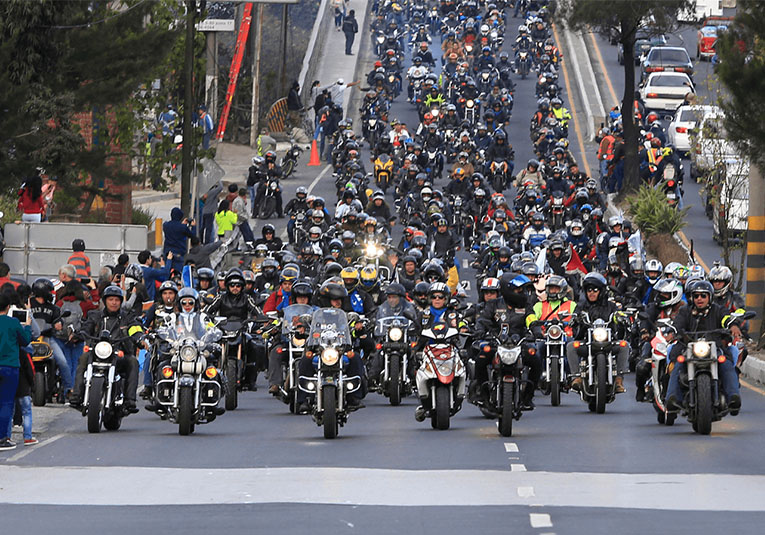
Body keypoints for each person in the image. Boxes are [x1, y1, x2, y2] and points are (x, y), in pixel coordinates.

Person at [665, 279, 742, 415]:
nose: (699, 299)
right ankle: (673, 398)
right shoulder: (685, 311)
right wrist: (673, 332)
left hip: (714, 348)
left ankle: (733, 397)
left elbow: (726, 318)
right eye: (696, 296)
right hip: (688, 348)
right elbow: (678, 324)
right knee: (678, 364)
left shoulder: (718, 310)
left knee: (726, 364)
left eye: (703, 295)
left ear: (710, 297)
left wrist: (733, 325)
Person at [70, 286, 143, 414]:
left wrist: (139, 338)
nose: (114, 302)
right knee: (83, 358)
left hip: (119, 353)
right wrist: (79, 334)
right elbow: (87, 327)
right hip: (97, 353)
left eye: (116, 300)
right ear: (105, 301)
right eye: (110, 299)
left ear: (120, 302)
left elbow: (134, 328)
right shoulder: (95, 315)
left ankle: (130, 400)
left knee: (133, 361)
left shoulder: (127, 317)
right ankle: (76, 395)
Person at [567, 273, 628, 394]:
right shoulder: (582, 306)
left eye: (595, 290)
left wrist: (621, 317)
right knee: (570, 346)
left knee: (624, 346)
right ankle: (576, 378)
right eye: (589, 290)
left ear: (602, 291)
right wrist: (575, 319)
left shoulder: (611, 306)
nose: (592, 293)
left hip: (608, 342)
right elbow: (573, 317)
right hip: (587, 341)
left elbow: (618, 314)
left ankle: (619, 380)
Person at [0, 292, 34, 451]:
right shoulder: (13, 323)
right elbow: (25, 341)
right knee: (6, 403)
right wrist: (26, 326)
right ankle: (2, 438)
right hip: (10, 366)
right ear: (8, 307)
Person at [8, 344, 37, 446]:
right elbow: (30, 370)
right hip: (23, 387)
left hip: (10, 387)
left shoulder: (7, 353)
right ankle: (28, 437)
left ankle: (7, 437)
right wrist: (32, 385)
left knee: (9, 413)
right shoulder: (23, 353)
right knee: (27, 412)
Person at [163, 207, 195, 273]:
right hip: (178, 254)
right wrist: (193, 226)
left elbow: (173, 227)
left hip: (167, 253)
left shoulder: (165, 225)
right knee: (179, 273)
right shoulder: (183, 228)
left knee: (167, 273)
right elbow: (192, 235)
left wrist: (181, 224)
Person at [200, 180, 223, 244]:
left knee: (202, 228)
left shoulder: (204, 192)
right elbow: (221, 187)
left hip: (204, 211)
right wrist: (218, 179)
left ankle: (200, 241)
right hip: (210, 212)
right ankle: (207, 243)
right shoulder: (211, 192)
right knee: (208, 229)